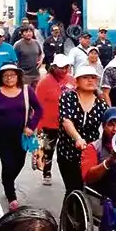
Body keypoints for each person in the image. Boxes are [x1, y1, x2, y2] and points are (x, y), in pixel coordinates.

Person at [0, 64, 43, 210]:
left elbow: (39, 110)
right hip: (2, 136)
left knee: (19, 163)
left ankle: (7, 181)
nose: (9, 78)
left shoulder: (26, 90)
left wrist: (31, 126)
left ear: (18, 76)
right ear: (0, 78)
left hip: (22, 135)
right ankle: (11, 196)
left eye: (12, 75)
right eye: (6, 75)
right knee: (8, 164)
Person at [57, 66, 108, 197]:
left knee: (89, 190)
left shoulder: (101, 104)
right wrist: (78, 138)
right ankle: (68, 216)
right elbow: (66, 121)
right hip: (68, 150)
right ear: (77, 81)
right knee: (73, 190)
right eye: (85, 77)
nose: (90, 80)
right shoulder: (68, 97)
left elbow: (109, 125)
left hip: (90, 152)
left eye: (93, 78)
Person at [34, 54, 74, 187]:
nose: (64, 70)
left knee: (67, 150)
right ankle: (46, 172)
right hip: (48, 123)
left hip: (67, 122)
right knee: (48, 149)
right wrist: (37, 124)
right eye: (61, 68)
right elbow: (37, 105)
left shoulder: (71, 80)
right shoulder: (44, 82)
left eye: (66, 67)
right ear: (54, 67)